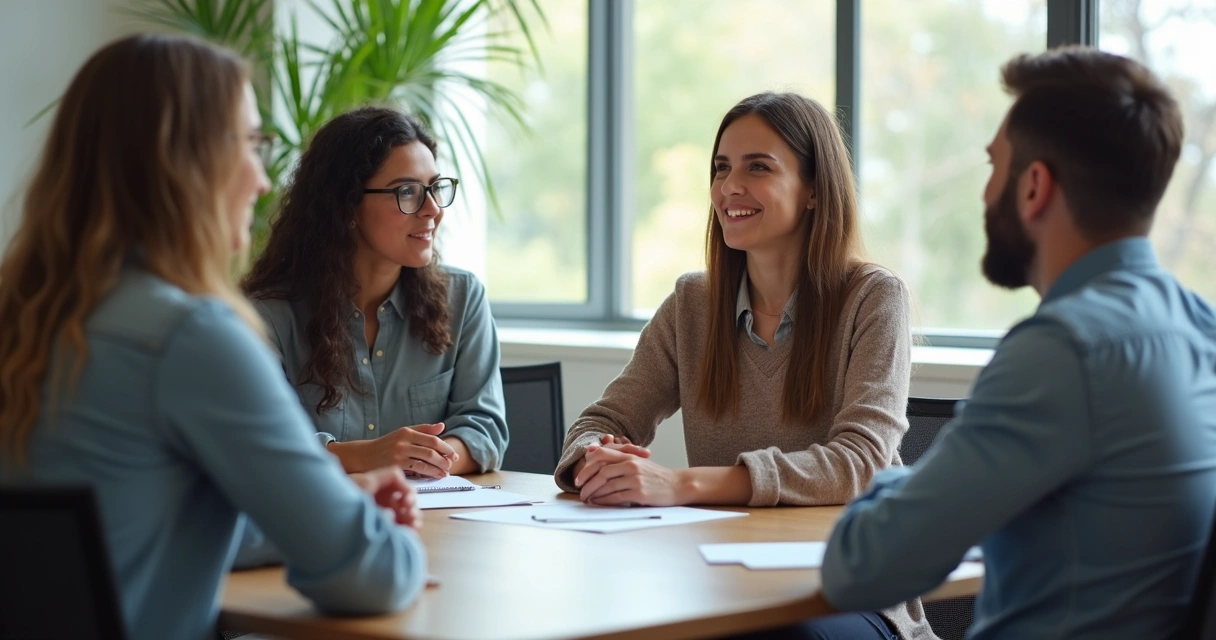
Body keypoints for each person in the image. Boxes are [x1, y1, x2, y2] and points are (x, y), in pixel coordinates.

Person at [0, 34, 427, 640]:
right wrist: (376, 533)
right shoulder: (192, 337)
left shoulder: (30, 315)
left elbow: (139, 524)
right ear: (184, 162)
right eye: (250, 144)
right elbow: (372, 578)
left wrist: (338, 504)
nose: (261, 179)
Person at [821, 47, 1216, 639]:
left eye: (993, 166)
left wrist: (896, 480)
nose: (985, 194)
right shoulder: (1201, 328)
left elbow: (859, 569)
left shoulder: (1061, 352)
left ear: (1034, 187)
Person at [553, 92, 932, 639]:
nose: (730, 186)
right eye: (721, 168)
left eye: (758, 167)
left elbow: (861, 463)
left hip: (852, 592)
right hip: (724, 589)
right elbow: (602, 420)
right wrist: (596, 460)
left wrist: (681, 484)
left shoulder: (873, 298)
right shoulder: (692, 303)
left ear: (814, 190)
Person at [241, 106, 506, 479]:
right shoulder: (265, 316)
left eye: (435, 188)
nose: (432, 209)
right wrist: (371, 456)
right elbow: (258, 446)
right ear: (347, 205)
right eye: (407, 192)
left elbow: (484, 429)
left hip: (436, 512)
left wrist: (420, 459)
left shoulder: (462, 298)